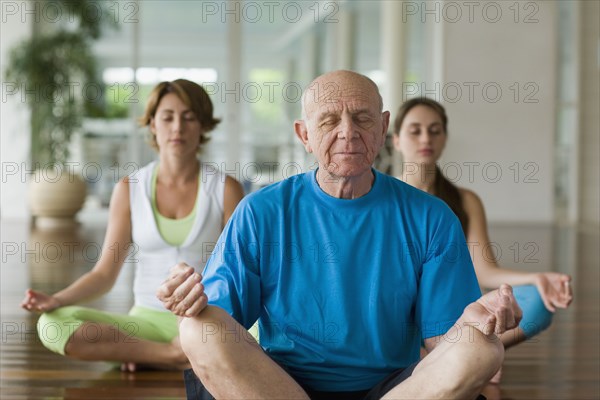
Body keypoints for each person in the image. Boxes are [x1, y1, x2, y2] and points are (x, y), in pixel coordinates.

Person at [157, 70, 522, 399]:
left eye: (362, 118)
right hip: (279, 385)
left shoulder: (431, 217)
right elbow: (222, 318)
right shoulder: (261, 211)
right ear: (305, 135)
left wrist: (474, 321)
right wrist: (186, 299)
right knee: (196, 328)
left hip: (396, 389)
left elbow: (442, 342)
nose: (348, 131)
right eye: (329, 120)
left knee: (483, 348)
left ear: (383, 129)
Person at [21, 79, 244, 371]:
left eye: (189, 117)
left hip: (207, 321)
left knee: (269, 334)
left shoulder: (225, 189)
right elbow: (104, 274)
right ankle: (171, 355)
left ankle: (156, 354)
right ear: (153, 124)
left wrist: (206, 313)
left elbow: (239, 272)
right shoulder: (130, 188)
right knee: (53, 325)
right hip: (146, 324)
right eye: (167, 117)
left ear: (203, 125)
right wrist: (55, 299)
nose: (177, 127)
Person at [392, 97, 573, 381]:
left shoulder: (465, 200)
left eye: (435, 130)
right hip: (403, 316)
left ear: (445, 137)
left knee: (538, 302)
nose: (426, 137)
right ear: (396, 140)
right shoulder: (384, 200)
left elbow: (484, 270)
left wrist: (537, 278)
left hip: (451, 313)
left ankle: (461, 356)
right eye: (415, 130)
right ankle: (467, 357)